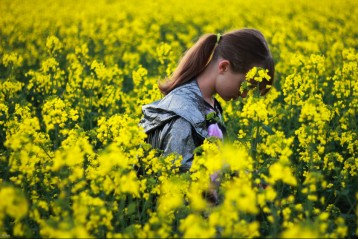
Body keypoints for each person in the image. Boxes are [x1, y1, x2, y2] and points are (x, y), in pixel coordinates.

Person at [139, 28, 274, 173]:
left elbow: (215, 168)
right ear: (224, 67)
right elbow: (179, 183)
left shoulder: (211, 105)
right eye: (245, 85)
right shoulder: (182, 118)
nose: (245, 95)